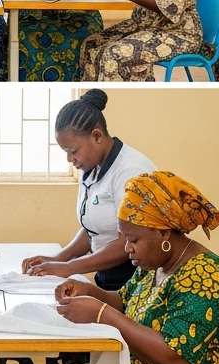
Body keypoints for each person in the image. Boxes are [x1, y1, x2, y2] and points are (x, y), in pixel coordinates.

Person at [28, 172, 219, 364]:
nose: (126, 248)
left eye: (134, 240)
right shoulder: (154, 264)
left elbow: (175, 358)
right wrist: (88, 291)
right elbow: (124, 302)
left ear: (163, 233)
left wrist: (101, 314)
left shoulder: (206, 277)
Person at [21, 92, 155, 292]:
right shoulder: (92, 167)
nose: (69, 159)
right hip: (108, 276)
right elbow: (93, 228)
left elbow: (129, 241)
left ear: (97, 136)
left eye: (73, 151)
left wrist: (69, 267)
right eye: (65, 152)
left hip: (135, 279)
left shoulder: (130, 171)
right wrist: (59, 258)